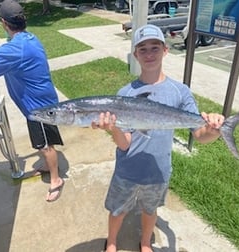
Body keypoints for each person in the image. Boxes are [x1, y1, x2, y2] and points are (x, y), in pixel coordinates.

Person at [92, 24, 225, 252]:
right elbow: (125, 143)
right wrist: (112, 128)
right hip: (127, 170)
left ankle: (145, 242)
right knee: (117, 210)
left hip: (158, 171)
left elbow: (201, 136)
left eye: (155, 47)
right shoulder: (125, 94)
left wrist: (213, 128)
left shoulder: (180, 92)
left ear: (165, 50)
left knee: (150, 210)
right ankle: (112, 242)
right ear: (135, 55)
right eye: (142, 49)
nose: (149, 54)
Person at [0, 0, 64, 202]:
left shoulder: (15, 49)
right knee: (43, 142)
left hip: (39, 107)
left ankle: (56, 179)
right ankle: (47, 165)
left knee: (45, 145)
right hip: (40, 102)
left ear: (4, 23)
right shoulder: (27, 38)